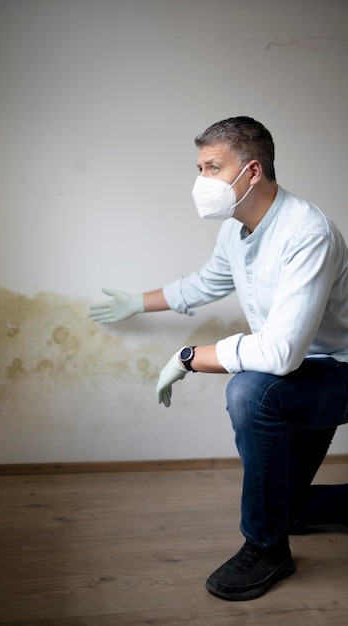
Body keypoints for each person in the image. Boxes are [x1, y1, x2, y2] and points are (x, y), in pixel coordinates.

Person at [89, 116, 348, 601]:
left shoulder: (307, 232)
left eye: (212, 167)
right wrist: (136, 302)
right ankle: (284, 521)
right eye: (199, 167)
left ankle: (266, 549)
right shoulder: (238, 229)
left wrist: (189, 357)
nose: (201, 181)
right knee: (287, 507)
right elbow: (206, 283)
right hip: (305, 372)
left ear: (251, 171)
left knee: (250, 389)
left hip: (339, 370)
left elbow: (279, 353)